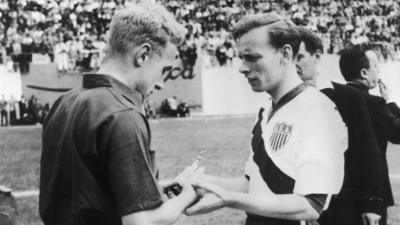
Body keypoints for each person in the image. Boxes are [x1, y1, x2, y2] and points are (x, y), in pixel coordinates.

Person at [39, 3, 200, 225]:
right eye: (164, 70)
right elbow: (142, 222)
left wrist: (151, 190)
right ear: (143, 54)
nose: (162, 83)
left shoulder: (64, 101)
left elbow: (86, 191)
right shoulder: (122, 114)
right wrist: (189, 194)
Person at [186, 13, 347, 225]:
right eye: (241, 58)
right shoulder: (266, 109)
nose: (242, 68)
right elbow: (251, 184)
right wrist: (202, 182)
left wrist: (230, 200)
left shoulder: (318, 109)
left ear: (286, 54)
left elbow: (310, 206)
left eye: (252, 58)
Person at [295, 27, 384, 225]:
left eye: (299, 57)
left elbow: (367, 152)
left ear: (317, 56)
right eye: (288, 58)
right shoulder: (280, 103)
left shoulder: (348, 97)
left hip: (343, 206)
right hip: (296, 207)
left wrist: (371, 204)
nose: (293, 64)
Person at [339, 44, 400, 225]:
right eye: (375, 66)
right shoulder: (374, 103)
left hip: (342, 191)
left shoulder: (336, 97)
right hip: (372, 194)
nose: (378, 70)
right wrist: (389, 101)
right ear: (364, 73)